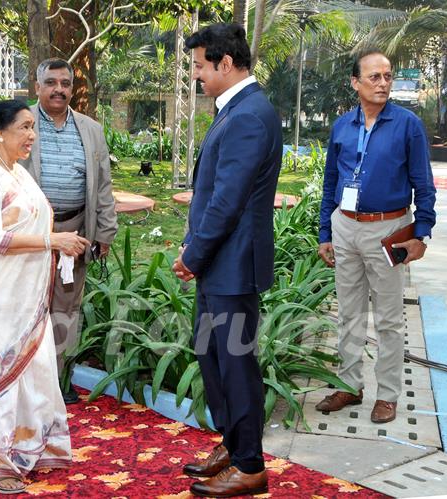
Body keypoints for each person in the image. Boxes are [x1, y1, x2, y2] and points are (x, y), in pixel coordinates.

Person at [171, 24, 282, 498]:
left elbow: (227, 200)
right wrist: (194, 246)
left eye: (199, 66)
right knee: (211, 355)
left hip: (231, 265)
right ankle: (234, 444)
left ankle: (250, 464)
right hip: (220, 262)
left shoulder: (248, 115)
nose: (196, 75)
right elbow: (213, 193)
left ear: (225, 63)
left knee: (234, 362)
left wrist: (194, 255)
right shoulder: (235, 110)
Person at [0, 100, 87, 494]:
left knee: (35, 367)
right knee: (0, 370)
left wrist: (57, 243)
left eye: (34, 128)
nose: (32, 135)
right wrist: (52, 240)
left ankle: (31, 444)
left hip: (25, 295)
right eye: (24, 127)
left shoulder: (17, 173)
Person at [316, 50, 436, 424]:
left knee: (388, 318)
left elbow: (423, 183)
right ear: (356, 83)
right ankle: (350, 385)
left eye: (387, 76)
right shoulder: (342, 126)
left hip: (389, 230)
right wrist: (325, 231)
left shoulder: (407, 125)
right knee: (348, 313)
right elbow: (331, 182)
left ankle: (388, 394)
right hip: (346, 225)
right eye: (375, 77)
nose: (383, 83)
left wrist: (422, 233)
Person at [20, 58, 118, 405]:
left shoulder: (90, 129)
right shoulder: (21, 123)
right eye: (50, 82)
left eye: (65, 83)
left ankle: (58, 377)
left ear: (72, 88)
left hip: (75, 231)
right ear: (37, 87)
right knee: (29, 303)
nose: (58, 89)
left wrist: (104, 231)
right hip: (30, 234)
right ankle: (26, 377)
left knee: (66, 306)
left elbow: (103, 185)